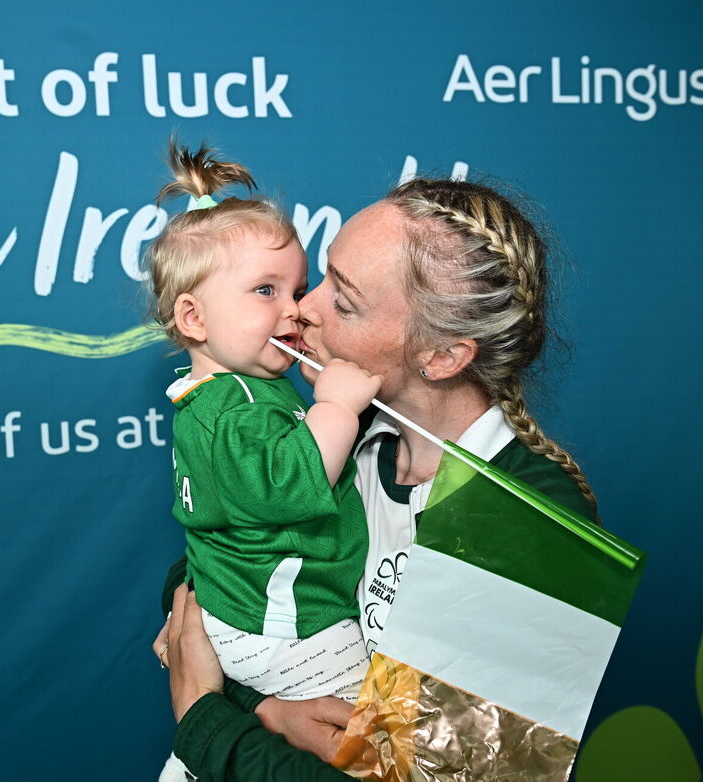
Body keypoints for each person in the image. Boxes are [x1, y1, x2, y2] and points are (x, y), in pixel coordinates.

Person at [157, 176, 601, 781]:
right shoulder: (339, 433)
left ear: (442, 357)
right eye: (322, 278)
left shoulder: (537, 526)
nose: (300, 310)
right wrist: (266, 709)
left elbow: (436, 773)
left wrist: (205, 717)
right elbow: (207, 575)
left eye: (343, 300)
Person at [146, 141, 383, 780]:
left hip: (248, 620)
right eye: (265, 290)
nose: (294, 309)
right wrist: (335, 406)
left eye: (297, 289)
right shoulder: (237, 405)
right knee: (374, 743)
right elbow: (291, 486)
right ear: (194, 318)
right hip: (292, 632)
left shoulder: (229, 393)